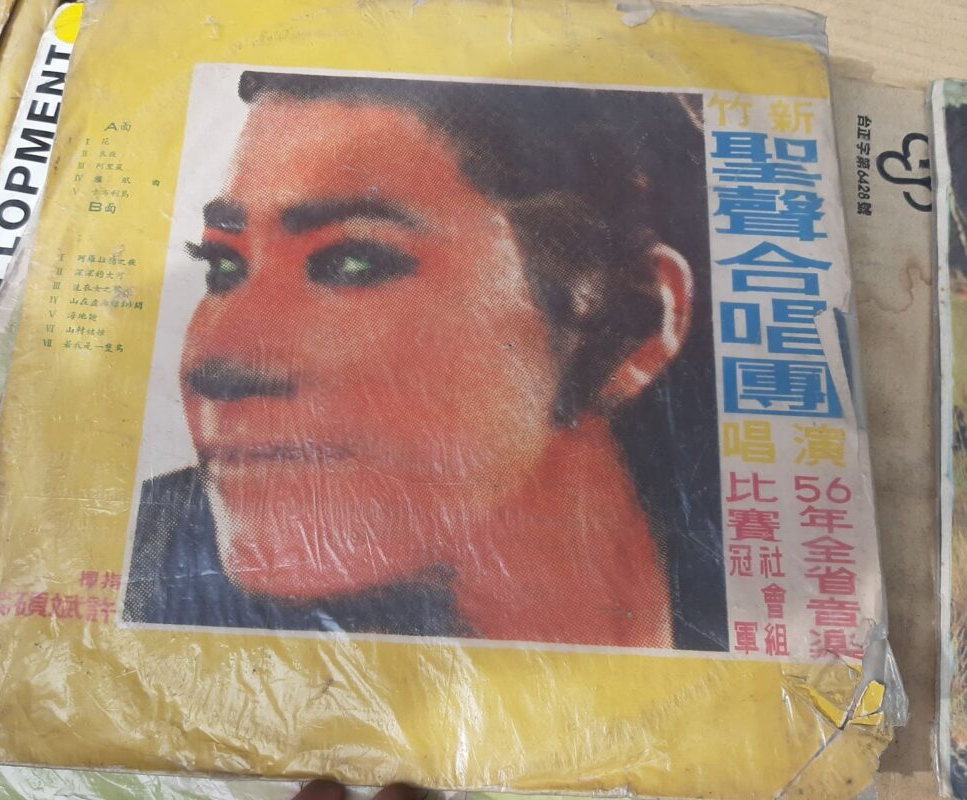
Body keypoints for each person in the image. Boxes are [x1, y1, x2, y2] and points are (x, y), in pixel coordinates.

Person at [123, 71, 720, 648]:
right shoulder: (141, 569)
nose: (217, 362)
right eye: (223, 266)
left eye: (353, 262)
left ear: (633, 321)